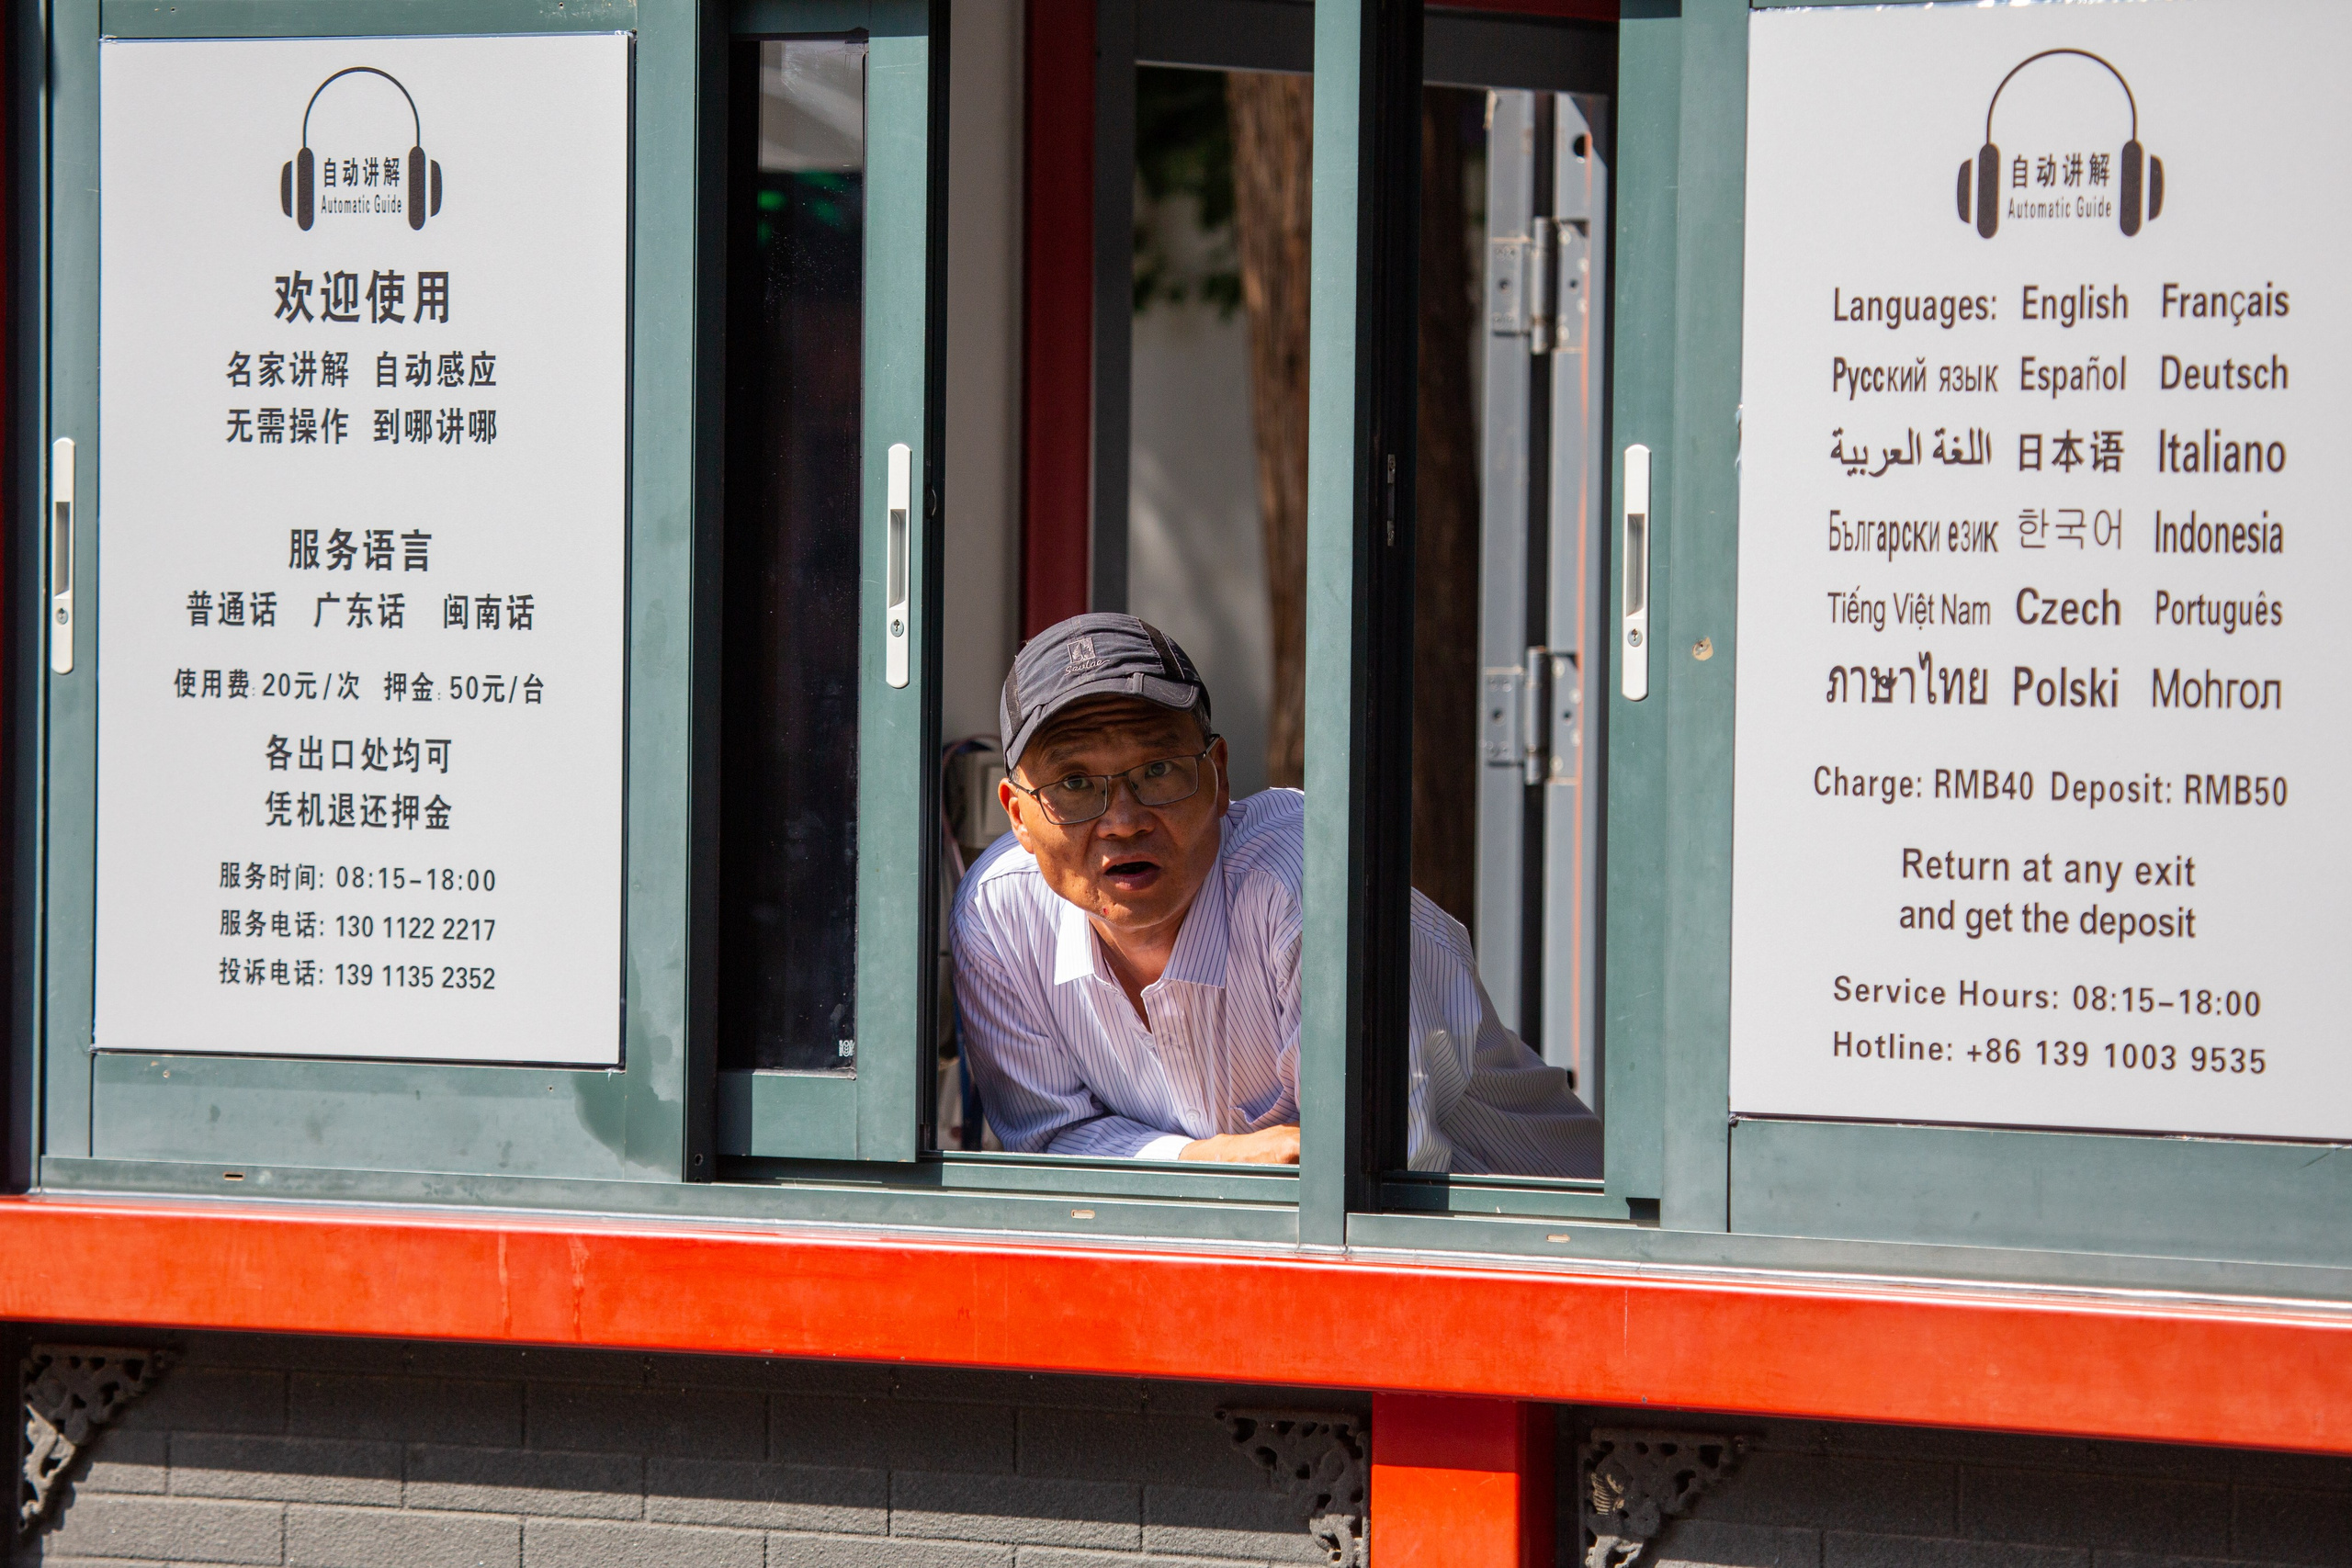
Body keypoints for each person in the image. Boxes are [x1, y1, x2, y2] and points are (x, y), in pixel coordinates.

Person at [950, 613, 1600, 1174]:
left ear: (1219, 777)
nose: (1122, 818)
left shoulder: (1306, 887)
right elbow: (1048, 1144)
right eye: (1072, 783)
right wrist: (1203, 1158)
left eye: (1157, 770)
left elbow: (1372, 1183)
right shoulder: (997, 915)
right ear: (1017, 815)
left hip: (1562, 1261)